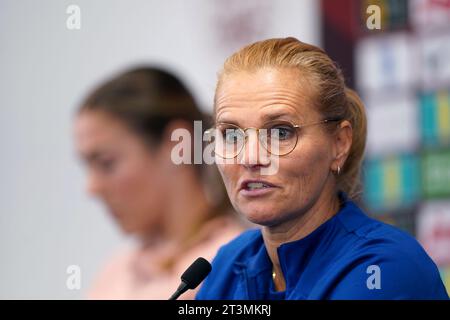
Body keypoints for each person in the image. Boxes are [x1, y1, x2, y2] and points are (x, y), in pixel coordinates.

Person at [196, 37, 449, 299]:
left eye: (280, 132)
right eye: (232, 135)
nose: (250, 157)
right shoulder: (227, 266)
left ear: (339, 144)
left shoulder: (384, 268)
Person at [74, 66, 244, 299]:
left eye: (107, 163)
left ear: (177, 144)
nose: (91, 188)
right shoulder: (116, 270)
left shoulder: (233, 266)